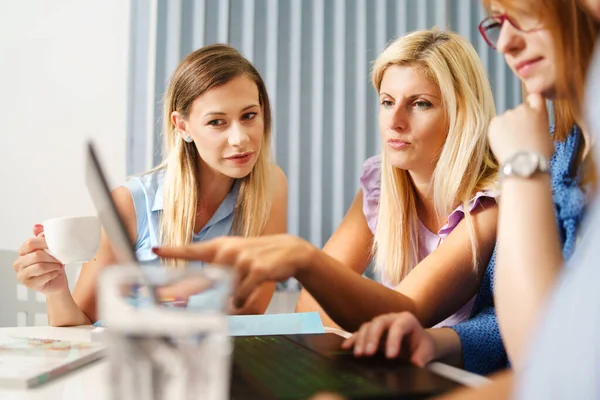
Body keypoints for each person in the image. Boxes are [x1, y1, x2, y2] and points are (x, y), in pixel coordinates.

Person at [155, 29, 500, 334]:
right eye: (387, 102)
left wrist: (304, 258)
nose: (394, 121)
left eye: (420, 104)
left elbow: (406, 311)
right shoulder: (382, 188)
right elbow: (311, 312)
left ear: (462, 112)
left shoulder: (491, 203)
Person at [340, 0, 598, 377]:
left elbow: (546, 352)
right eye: (499, 23)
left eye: (526, 19)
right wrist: (441, 342)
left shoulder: (517, 172)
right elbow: (505, 320)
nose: (506, 42)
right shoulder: (555, 148)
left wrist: (524, 168)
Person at [12, 44, 288, 326]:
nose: (240, 138)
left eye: (249, 116)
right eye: (217, 122)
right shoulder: (130, 204)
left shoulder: (271, 187)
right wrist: (55, 289)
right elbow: (78, 326)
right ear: (182, 127)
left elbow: (251, 313)